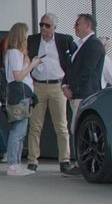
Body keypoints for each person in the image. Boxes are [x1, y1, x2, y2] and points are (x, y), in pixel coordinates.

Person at [25, 13, 79, 175]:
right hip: (38, 86)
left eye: (47, 25)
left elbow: (76, 59)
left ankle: (64, 160)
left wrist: (69, 82)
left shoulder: (64, 40)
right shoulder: (32, 40)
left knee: (61, 125)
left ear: (55, 27)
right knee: (35, 125)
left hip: (58, 86)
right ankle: (32, 161)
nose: (43, 28)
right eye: (41, 24)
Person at [5, 22, 41, 176]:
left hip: (22, 92)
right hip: (19, 92)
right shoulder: (14, 53)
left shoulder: (16, 53)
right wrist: (32, 65)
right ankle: (13, 164)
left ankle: (16, 163)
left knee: (20, 130)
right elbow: (18, 76)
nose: (27, 36)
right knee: (18, 131)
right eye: (25, 33)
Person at [62, 14, 105, 120]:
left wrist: (72, 89)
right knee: (75, 126)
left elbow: (86, 71)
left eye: (77, 24)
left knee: (81, 126)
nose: (74, 27)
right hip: (76, 95)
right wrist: (64, 85)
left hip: (85, 96)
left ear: (88, 25)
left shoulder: (94, 44)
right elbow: (70, 68)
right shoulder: (79, 45)